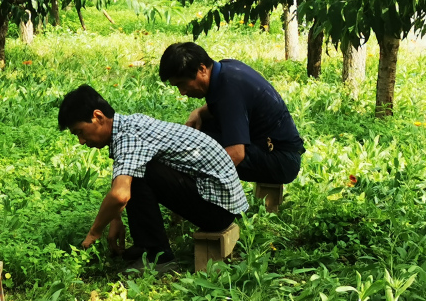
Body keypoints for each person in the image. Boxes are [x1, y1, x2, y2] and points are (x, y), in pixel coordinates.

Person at [58, 84, 248, 269]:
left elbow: (120, 195)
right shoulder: (128, 126)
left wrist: (94, 232)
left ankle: (158, 256)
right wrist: (116, 219)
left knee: (141, 174)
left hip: (218, 209)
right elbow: (121, 182)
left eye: (80, 132)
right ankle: (145, 245)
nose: (82, 141)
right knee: (135, 172)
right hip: (219, 201)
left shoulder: (128, 137)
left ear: (98, 116)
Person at [158, 42, 305, 186]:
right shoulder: (225, 70)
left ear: (202, 69)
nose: (182, 92)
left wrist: (197, 179)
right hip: (270, 147)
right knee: (198, 136)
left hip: (281, 160)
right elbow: (228, 107)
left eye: (182, 84)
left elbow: (236, 154)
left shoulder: (229, 91)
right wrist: (199, 112)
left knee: (197, 150)